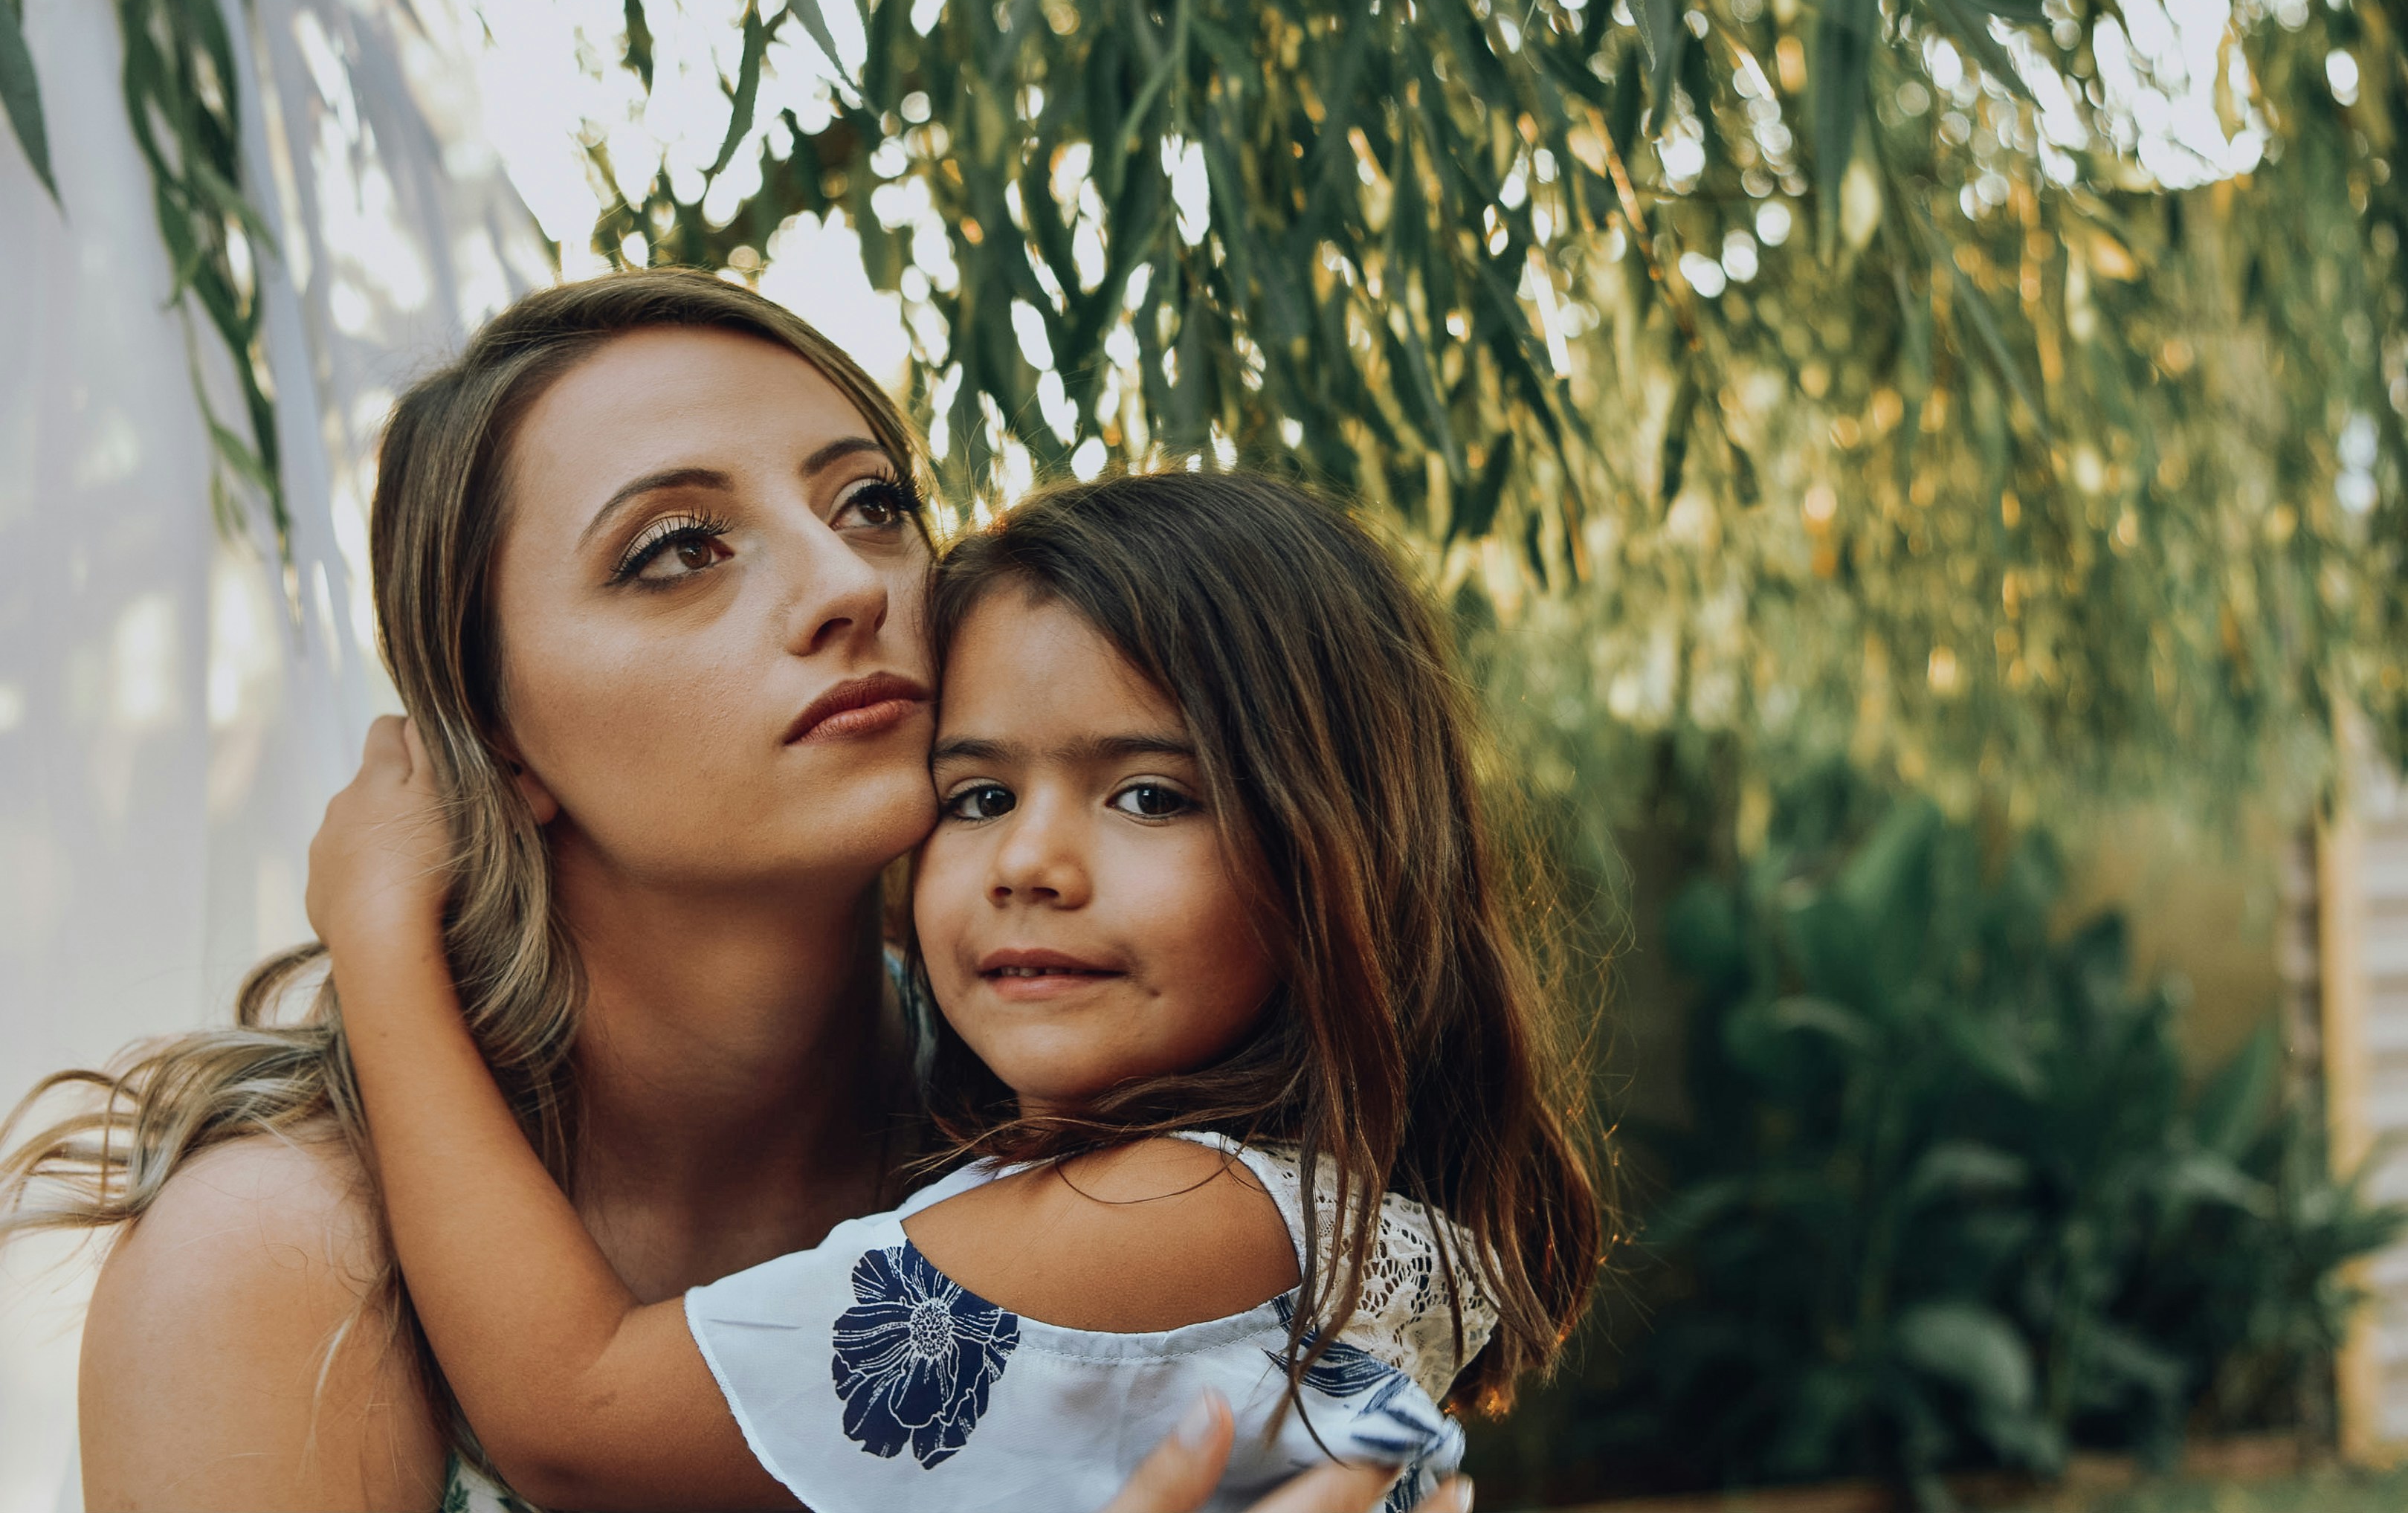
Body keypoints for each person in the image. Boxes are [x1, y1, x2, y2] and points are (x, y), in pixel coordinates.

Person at [0, 271, 1448, 1513]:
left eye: (871, 504)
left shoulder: (1096, 1122)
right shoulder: (284, 1265)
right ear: (494, 730)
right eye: (678, 551)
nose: (848, 584)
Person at [307, 472, 1601, 1512]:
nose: (1029, 863)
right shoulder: (1258, 1204)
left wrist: (380, 941)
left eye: (1150, 796)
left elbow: (578, 1416)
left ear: (1346, 856)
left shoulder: (1177, 1211)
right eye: (978, 796)